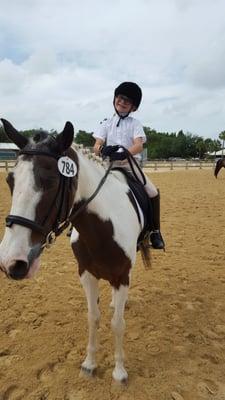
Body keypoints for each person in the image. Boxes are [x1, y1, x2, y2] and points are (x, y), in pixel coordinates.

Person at [93, 81, 165, 250]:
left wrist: (126, 153)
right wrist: (103, 149)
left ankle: (155, 231)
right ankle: (76, 226)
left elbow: (139, 145)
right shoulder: (105, 123)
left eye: (128, 101)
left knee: (153, 192)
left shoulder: (135, 123)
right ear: (115, 99)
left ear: (133, 107)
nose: (123, 102)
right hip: (108, 166)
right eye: (120, 98)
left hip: (129, 165)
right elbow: (96, 145)